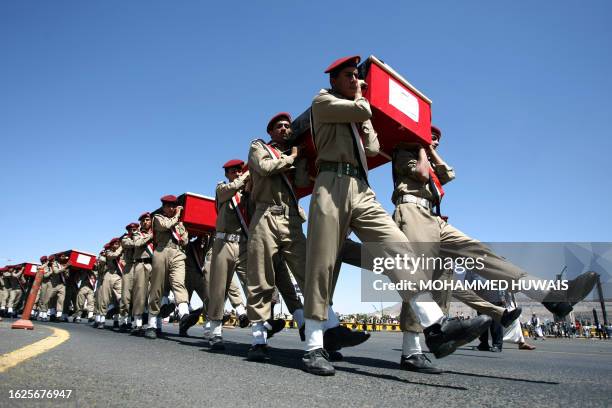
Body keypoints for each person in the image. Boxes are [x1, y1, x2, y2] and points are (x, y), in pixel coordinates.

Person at [302, 55, 492, 376]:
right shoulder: (323, 100)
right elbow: (363, 108)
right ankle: (313, 347)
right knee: (321, 265)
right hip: (331, 183)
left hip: (361, 188)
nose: (354, 81)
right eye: (348, 76)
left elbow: (373, 148)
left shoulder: (355, 113)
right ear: (334, 80)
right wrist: (363, 98)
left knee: (399, 248)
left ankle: (435, 326)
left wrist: (364, 119)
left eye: (357, 77)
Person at [145, 195, 189, 339]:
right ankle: (152, 324)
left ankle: (184, 314)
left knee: (179, 283)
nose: (172, 208)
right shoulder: (158, 217)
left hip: (177, 252)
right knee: (157, 288)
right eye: (168, 206)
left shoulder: (179, 222)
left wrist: (183, 239)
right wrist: (177, 216)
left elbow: (185, 239)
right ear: (163, 207)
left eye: (174, 206)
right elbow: (164, 226)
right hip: (161, 251)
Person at [130, 212, 153, 335]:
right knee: (140, 293)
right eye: (143, 220)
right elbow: (138, 243)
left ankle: (153, 324)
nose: (145, 222)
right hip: (141, 264)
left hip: (154, 264)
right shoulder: (137, 233)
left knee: (153, 294)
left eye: (148, 220)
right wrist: (150, 236)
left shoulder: (157, 233)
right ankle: (137, 324)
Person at [119, 222, 139, 331]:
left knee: (137, 296)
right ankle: (123, 321)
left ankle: (134, 321)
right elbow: (134, 244)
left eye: (135, 229)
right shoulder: (125, 239)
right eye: (131, 229)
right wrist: (137, 236)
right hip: (129, 267)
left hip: (139, 266)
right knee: (126, 296)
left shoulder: (140, 236)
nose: (133, 231)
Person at [99, 238, 123, 329]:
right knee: (105, 298)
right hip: (109, 275)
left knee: (119, 299)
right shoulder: (108, 252)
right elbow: (114, 255)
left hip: (119, 275)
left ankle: (117, 320)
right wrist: (120, 248)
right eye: (115, 244)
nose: (117, 245)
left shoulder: (123, 252)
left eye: (118, 244)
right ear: (112, 245)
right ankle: (102, 320)